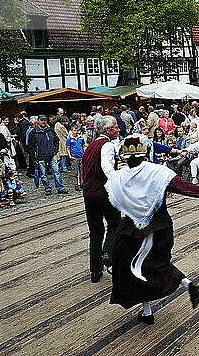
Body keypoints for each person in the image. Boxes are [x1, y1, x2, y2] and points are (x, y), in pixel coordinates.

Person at [107, 134, 199, 325]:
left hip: (131, 230)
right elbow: (185, 187)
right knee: (157, 263)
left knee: (129, 266)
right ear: (145, 155)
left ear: (124, 157)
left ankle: (149, 309)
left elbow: (113, 199)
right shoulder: (158, 172)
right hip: (159, 226)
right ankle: (176, 291)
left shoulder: (118, 177)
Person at [81, 115, 122, 283]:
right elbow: (106, 166)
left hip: (88, 194)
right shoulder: (106, 146)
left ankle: (95, 271)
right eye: (115, 127)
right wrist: (117, 182)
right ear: (107, 130)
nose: (118, 129)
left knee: (95, 231)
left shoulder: (90, 147)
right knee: (116, 224)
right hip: (103, 192)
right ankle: (108, 252)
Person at [27, 115, 68, 195]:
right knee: (43, 174)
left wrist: (55, 150)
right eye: (42, 120)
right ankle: (47, 188)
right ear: (38, 121)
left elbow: (56, 140)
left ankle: (60, 187)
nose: (43, 122)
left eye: (45, 120)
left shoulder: (50, 130)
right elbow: (30, 146)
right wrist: (34, 157)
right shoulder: (34, 132)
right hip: (40, 156)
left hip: (51, 155)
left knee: (56, 172)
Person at [66, 125, 86, 191]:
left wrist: (85, 154)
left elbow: (83, 146)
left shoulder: (81, 138)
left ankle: (82, 183)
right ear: (71, 131)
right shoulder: (69, 139)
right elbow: (68, 148)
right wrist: (70, 156)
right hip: (74, 157)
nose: (76, 132)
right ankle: (76, 184)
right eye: (74, 130)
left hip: (81, 157)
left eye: (77, 130)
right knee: (75, 172)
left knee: (82, 171)